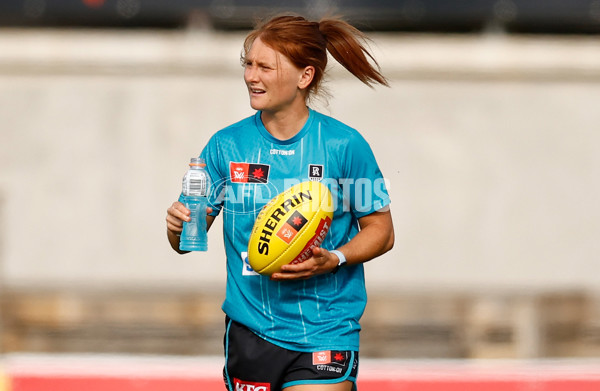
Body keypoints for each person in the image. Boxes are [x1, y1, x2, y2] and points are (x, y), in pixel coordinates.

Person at [165, 14, 394, 391]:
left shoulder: (344, 146)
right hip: (251, 330)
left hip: (327, 329)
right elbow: (187, 240)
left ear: (305, 76)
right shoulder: (226, 147)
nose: (251, 77)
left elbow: (382, 232)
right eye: (249, 65)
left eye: (265, 67)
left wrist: (334, 258)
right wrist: (176, 227)